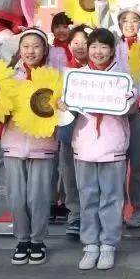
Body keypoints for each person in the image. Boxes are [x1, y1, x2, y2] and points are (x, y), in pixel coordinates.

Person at [95, 0, 140, 229]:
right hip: (116, 112)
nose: (130, 24)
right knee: (116, 164)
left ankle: (139, 209)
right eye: (125, 20)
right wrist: (101, 0)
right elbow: (104, 24)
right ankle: (116, 210)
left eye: (135, 20)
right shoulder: (114, 45)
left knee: (138, 163)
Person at [71, 28, 133, 270]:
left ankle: (108, 245)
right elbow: (67, 112)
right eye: (93, 46)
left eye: (103, 47)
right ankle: (90, 245)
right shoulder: (77, 77)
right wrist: (65, 104)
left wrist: (128, 99)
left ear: (112, 49)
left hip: (112, 146)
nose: (98, 52)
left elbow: (131, 106)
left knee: (112, 197)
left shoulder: (122, 76)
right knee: (87, 197)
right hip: (84, 145)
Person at [5, 28, 59, 265]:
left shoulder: (55, 77)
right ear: (19, 50)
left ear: (45, 49)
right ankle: (22, 239)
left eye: (36, 45)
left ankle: (37, 240)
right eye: (25, 46)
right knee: (16, 196)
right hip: (13, 144)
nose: (30, 51)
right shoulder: (7, 77)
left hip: (42, 144)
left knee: (38, 196)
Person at [56, 23, 91, 240]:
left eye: (85, 43)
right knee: (69, 172)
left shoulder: (101, 74)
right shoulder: (62, 72)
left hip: (92, 132)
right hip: (69, 129)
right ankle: (75, 214)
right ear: (69, 45)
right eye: (75, 42)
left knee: (90, 175)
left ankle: (91, 214)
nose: (80, 47)